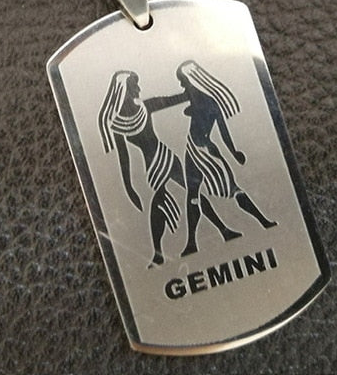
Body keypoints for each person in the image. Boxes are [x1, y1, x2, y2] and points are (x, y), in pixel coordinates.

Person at [177, 60, 277, 257]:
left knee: (232, 188)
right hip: (191, 149)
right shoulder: (196, 97)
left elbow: (223, 131)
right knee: (193, 194)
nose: (181, 85)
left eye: (183, 80)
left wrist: (234, 152)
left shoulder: (209, 102)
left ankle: (263, 221)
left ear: (192, 80)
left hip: (205, 151)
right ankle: (191, 243)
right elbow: (171, 100)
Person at [98, 71, 188, 266]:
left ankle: (159, 254)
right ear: (125, 90)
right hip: (153, 167)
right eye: (135, 85)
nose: (139, 89)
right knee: (170, 198)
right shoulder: (117, 125)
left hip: (167, 157)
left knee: (190, 191)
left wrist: (190, 91)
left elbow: (170, 100)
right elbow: (124, 158)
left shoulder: (145, 107)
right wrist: (129, 187)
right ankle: (158, 253)